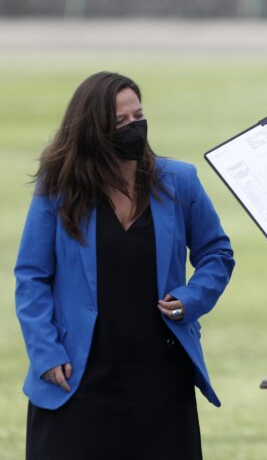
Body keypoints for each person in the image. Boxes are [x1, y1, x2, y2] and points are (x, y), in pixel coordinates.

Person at [14, 71, 235, 460]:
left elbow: (217, 253)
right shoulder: (59, 186)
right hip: (76, 376)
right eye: (121, 122)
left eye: (139, 116)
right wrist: (46, 352)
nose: (135, 127)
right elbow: (32, 275)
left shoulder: (180, 181)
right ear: (92, 130)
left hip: (161, 376)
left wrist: (192, 298)